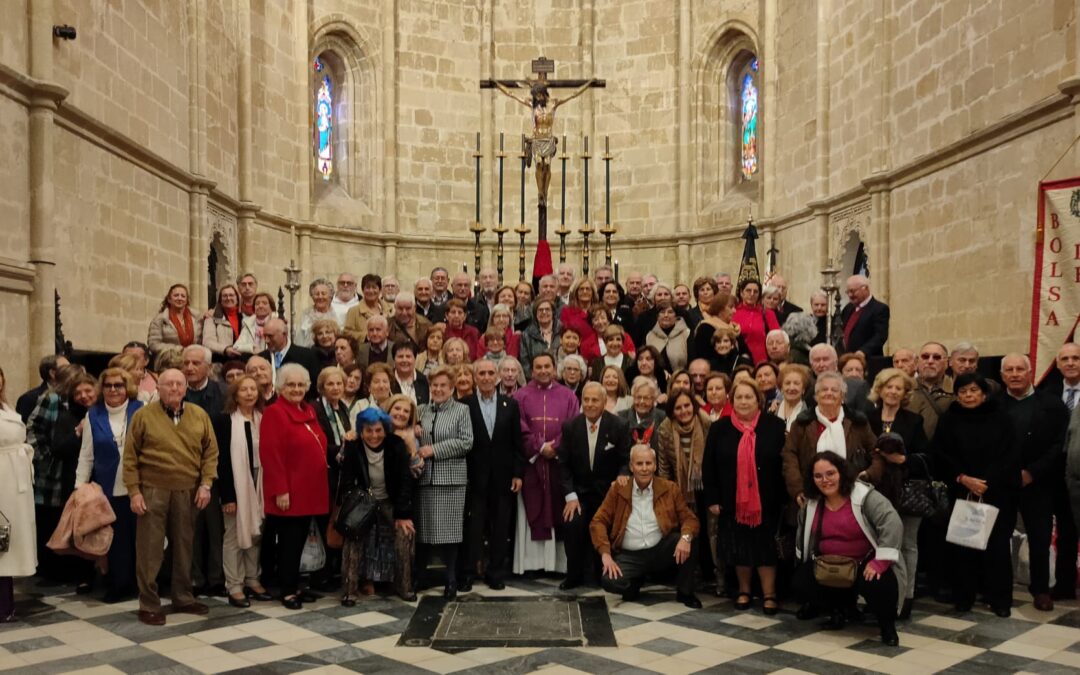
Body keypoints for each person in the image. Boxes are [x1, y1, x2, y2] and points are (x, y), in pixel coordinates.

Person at [122, 369, 218, 625]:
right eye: (168, 384)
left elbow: (210, 453)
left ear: (186, 388)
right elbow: (130, 458)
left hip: (188, 491)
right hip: (153, 489)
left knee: (185, 547)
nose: (174, 388)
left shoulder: (199, 415)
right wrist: (134, 492)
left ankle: (183, 597)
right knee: (150, 550)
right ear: (159, 389)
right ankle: (149, 603)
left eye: (179, 384)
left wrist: (206, 485)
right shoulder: (143, 416)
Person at [794, 451, 903, 646]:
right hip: (829, 562)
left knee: (879, 583)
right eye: (818, 476)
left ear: (842, 473)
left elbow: (891, 522)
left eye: (830, 473)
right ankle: (839, 611)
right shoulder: (811, 503)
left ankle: (887, 627)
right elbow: (804, 534)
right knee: (802, 580)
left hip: (864, 561)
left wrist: (881, 561)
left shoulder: (865, 496)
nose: (824, 480)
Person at [932, 373, 1018, 616]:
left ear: (983, 393)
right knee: (963, 545)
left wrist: (986, 482)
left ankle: (999, 600)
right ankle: (964, 596)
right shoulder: (949, 419)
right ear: (956, 395)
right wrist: (963, 478)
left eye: (973, 391)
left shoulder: (1001, 418)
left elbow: (1010, 454)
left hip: (997, 491)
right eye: (962, 392)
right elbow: (941, 454)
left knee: (997, 547)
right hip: (961, 489)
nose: (968, 396)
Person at [703, 379, 787, 614]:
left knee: (765, 549)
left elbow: (783, 464)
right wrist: (713, 499)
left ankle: (770, 595)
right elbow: (708, 465)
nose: (743, 401)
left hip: (766, 501)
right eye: (738, 397)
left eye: (748, 397)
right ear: (732, 400)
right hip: (732, 502)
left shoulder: (775, 426)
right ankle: (744, 591)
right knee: (740, 548)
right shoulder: (719, 428)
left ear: (758, 400)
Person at [590, 444, 702, 608]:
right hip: (631, 555)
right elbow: (598, 521)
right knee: (609, 581)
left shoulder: (669, 488)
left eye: (648, 463)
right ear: (631, 466)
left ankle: (685, 592)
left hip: (660, 549)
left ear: (655, 466)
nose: (644, 469)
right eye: (639, 464)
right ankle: (635, 582)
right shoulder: (618, 489)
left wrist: (685, 537)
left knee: (689, 539)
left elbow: (690, 519)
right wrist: (605, 554)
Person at [998, 353, 1069, 611]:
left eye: (1020, 369)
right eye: (1009, 370)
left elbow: (1058, 444)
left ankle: (1040, 590)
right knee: (999, 538)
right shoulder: (993, 405)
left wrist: (1032, 472)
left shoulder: (1052, 405)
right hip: (1002, 484)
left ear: (1030, 373)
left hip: (1038, 483)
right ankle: (999, 589)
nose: (1015, 374)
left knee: (1039, 539)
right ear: (1002, 374)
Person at [259, 364, 329, 610]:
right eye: (291, 385)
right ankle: (287, 590)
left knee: (303, 542)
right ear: (281, 387)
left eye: (301, 385)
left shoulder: (308, 409)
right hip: (291, 492)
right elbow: (271, 454)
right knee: (289, 543)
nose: (296, 389)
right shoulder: (275, 413)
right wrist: (281, 490)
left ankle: (299, 585)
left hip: (311, 490)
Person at [75, 368, 142, 602]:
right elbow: (86, 455)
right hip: (109, 488)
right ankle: (120, 584)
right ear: (101, 389)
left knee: (141, 539)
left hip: (139, 487)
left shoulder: (141, 409)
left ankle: (142, 584)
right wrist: (79, 488)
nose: (113, 390)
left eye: (118, 385)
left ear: (127, 388)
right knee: (116, 540)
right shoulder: (93, 415)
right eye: (108, 385)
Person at [339, 406, 417, 604]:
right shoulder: (354, 447)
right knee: (352, 534)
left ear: (385, 429)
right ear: (361, 430)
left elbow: (405, 481)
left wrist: (403, 514)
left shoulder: (396, 445)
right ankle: (350, 589)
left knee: (405, 532)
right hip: (364, 502)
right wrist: (356, 507)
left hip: (390, 502)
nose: (374, 435)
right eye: (368, 430)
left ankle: (404, 586)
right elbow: (346, 482)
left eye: (378, 430)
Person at [558, 382, 632, 589]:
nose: (589, 404)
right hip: (579, 493)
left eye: (594, 400)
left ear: (604, 401)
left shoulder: (619, 425)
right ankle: (573, 575)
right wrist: (570, 496)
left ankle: (603, 574)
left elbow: (626, 460)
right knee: (572, 523)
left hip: (607, 494)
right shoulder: (570, 426)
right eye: (586, 400)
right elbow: (563, 464)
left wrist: (623, 475)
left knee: (605, 526)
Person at [513, 353, 581, 574]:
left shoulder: (568, 396)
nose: (543, 371)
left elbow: (572, 425)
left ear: (554, 369)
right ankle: (531, 564)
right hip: (531, 465)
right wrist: (540, 447)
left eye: (547, 366)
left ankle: (556, 565)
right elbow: (519, 427)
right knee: (532, 509)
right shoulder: (519, 396)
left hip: (558, 465)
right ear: (531, 370)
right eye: (538, 367)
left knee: (557, 508)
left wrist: (556, 447)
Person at [460, 359, 524, 591]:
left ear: (497, 376)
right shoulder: (464, 404)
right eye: (481, 373)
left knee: (500, 527)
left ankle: (496, 572)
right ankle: (468, 572)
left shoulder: (511, 405)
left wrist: (518, 473)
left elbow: (518, 442)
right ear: (475, 377)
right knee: (473, 527)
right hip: (474, 478)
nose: (486, 377)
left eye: (490, 373)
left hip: (503, 478)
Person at [212, 375, 273, 608]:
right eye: (243, 389)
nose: (249, 393)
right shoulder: (224, 420)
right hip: (235, 484)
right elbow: (222, 461)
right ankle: (235, 585)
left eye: (253, 389)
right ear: (234, 394)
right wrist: (227, 496)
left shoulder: (264, 418)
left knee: (256, 532)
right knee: (233, 535)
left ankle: (253, 579)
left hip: (260, 482)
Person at [35, 370, 98, 591]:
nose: (84, 396)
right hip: (76, 480)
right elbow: (59, 449)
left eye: (88, 390)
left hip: (105, 479)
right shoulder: (67, 417)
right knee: (82, 528)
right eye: (78, 393)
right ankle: (83, 575)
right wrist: (78, 432)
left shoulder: (104, 413)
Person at [414, 367, 473, 599]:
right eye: (434, 386)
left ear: (451, 389)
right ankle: (420, 576)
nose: (438, 390)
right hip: (424, 479)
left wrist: (434, 449)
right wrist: (414, 428)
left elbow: (466, 442)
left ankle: (451, 579)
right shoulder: (420, 410)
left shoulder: (462, 410)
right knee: (424, 533)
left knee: (450, 534)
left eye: (443, 386)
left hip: (451, 481)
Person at [782, 372, 881, 510]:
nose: (829, 393)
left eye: (834, 390)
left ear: (842, 397)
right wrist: (798, 488)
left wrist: (870, 473)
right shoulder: (801, 423)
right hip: (811, 494)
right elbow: (789, 456)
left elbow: (876, 451)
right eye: (824, 389)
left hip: (853, 494)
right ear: (816, 396)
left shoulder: (858, 422)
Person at [865, 432, 928, 620]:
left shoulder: (914, 421)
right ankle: (882, 595)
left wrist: (902, 459)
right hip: (880, 493)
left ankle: (906, 598)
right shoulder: (871, 417)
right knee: (881, 545)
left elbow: (928, 457)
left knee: (907, 546)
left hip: (909, 497)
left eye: (897, 397)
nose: (892, 398)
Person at [656, 389, 716, 586]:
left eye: (687, 405)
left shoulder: (707, 424)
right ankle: (690, 575)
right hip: (680, 489)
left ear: (694, 406)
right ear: (672, 411)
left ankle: (712, 574)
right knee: (688, 530)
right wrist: (669, 495)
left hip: (706, 486)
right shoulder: (665, 429)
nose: (683, 411)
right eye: (678, 407)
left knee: (710, 532)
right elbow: (664, 466)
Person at [183, 348, 228, 597]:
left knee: (214, 526)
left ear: (208, 367)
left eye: (195, 363)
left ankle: (216, 578)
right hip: (184, 469)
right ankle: (194, 578)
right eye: (186, 363)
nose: (190, 367)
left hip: (215, 469)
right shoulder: (176, 391)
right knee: (190, 528)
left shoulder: (222, 393)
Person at [0, 367, 37, 622]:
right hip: (3, 475)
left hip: (15, 477)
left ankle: (6, 602)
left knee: (10, 541)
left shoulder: (7, 407)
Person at [314, 365, 355, 589]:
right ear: (322, 386)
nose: (336, 387)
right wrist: (339, 450)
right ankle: (323, 572)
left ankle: (336, 567)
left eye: (339, 383)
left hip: (342, 474)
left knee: (339, 520)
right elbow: (319, 441)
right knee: (325, 523)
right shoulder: (315, 409)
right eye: (330, 383)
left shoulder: (344, 409)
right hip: (324, 472)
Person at [866, 368, 928, 455]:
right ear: (879, 390)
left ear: (904, 394)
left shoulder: (914, 421)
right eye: (889, 387)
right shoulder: (866, 418)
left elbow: (923, 456)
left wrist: (903, 460)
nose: (893, 391)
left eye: (898, 388)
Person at [261, 318, 321, 400]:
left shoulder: (307, 356)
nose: (266, 340)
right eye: (265, 336)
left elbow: (315, 388)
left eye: (270, 336)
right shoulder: (261, 358)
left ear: (284, 334)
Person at [905, 341, 955, 440]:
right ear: (917, 362)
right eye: (925, 357)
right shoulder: (904, 389)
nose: (930, 361)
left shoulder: (956, 391)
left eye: (936, 357)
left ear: (947, 363)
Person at [732, 279, 780, 366]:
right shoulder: (733, 312)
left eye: (756, 291)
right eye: (748, 290)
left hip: (762, 361)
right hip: (739, 360)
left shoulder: (768, 313)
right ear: (741, 293)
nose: (752, 294)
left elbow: (776, 336)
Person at [839, 275, 890, 357]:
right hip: (847, 358)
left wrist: (863, 351)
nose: (850, 295)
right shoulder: (848, 308)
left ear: (865, 288)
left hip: (868, 359)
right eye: (847, 292)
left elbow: (880, 336)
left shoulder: (879, 309)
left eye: (852, 291)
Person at [16, 354, 70, 423]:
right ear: (52, 373)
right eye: (67, 368)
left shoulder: (74, 396)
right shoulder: (29, 398)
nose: (71, 371)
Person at [519, 298, 559, 380]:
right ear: (535, 314)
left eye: (547, 309)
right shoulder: (526, 335)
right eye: (540, 310)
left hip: (561, 381)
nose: (544, 312)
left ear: (553, 312)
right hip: (536, 381)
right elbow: (525, 363)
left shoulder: (563, 331)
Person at [343, 273, 391, 343]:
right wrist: (366, 336)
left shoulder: (390, 309)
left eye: (374, 287)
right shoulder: (354, 311)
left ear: (380, 290)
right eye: (368, 287)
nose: (371, 291)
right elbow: (347, 333)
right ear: (362, 290)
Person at [621, 376, 666, 448]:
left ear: (653, 400)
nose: (642, 402)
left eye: (646, 398)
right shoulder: (621, 418)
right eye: (638, 397)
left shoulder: (662, 418)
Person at [646, 301, 691, 374]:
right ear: (657, 316)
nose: (666, 315)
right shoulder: (649, 336)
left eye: (670, 312)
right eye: (662, 312)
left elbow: (691, 361)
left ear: (676, 316)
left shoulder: (686, 333)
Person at [202, 284, 244, 359]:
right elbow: (207, 342)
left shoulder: (244, 317)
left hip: (243, 358)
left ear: (237, 299)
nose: (228, 298)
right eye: (225, 296)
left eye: (231, 295)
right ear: (220, 300)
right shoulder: (211, 318)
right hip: (221, 359)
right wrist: (225, 349)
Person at [560, 278, 600, 352]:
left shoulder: (599, 311)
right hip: (574, 351)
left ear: (593, 292)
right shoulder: (567, 311)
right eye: (581, 289)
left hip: (596, 351)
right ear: (576, 292)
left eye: (588, 289)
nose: (585, 291)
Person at [296, 279, 336, 348]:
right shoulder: (305, 315)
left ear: (330, 296)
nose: (320, 297)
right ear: (312, 296)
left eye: (323, 294)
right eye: (317, 294)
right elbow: (299, 340)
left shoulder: (336, 315)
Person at [391, 342, 430, 406]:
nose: (404, 360)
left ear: (415, 359)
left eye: (408, 356)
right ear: (394, 359)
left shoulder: (423, 380)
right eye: (400, 357)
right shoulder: (388, 379)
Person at [773, 364, 810, 431]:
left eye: (796, 383)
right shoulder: (772, 411)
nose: (791, 387)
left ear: (803, 389)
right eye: (787, 383)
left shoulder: (809, 416)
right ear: (781, 388)